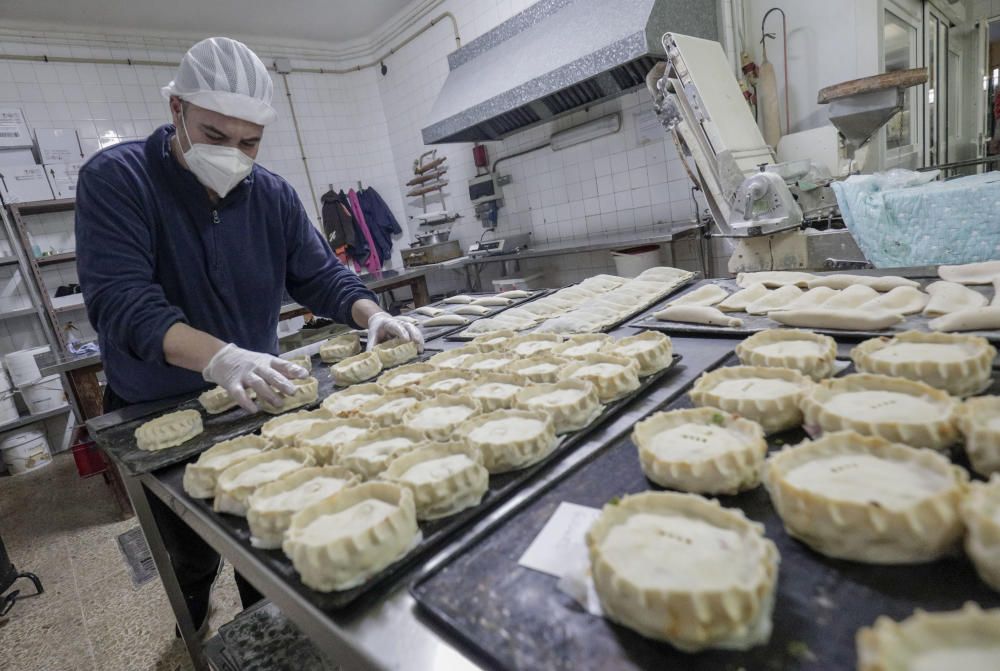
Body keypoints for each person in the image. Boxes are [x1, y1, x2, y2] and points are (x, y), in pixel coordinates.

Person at [75, 36, 422, 635]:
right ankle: (197, 630)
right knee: (191, 552)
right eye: (214, 135)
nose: (233, 154)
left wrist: (372, 314)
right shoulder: (118, 179)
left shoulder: (274, 197)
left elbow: (320, 276)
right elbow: (123, 304)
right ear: (176, 110)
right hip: (154, 403)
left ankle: (265, 633)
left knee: (265, 537)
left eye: (249, 142)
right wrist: (222, 358)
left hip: (259, 397)